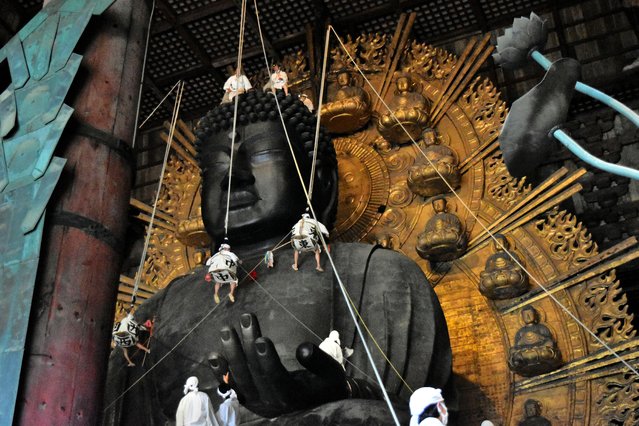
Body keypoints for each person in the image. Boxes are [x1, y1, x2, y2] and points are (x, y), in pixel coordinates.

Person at [105, 89, 454, 425]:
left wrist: (342, 391)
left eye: (262, 154)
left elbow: (419, 414)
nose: (233, 177)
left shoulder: (377, 273)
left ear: (320, 181)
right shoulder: (158, 309)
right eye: (215, 167)